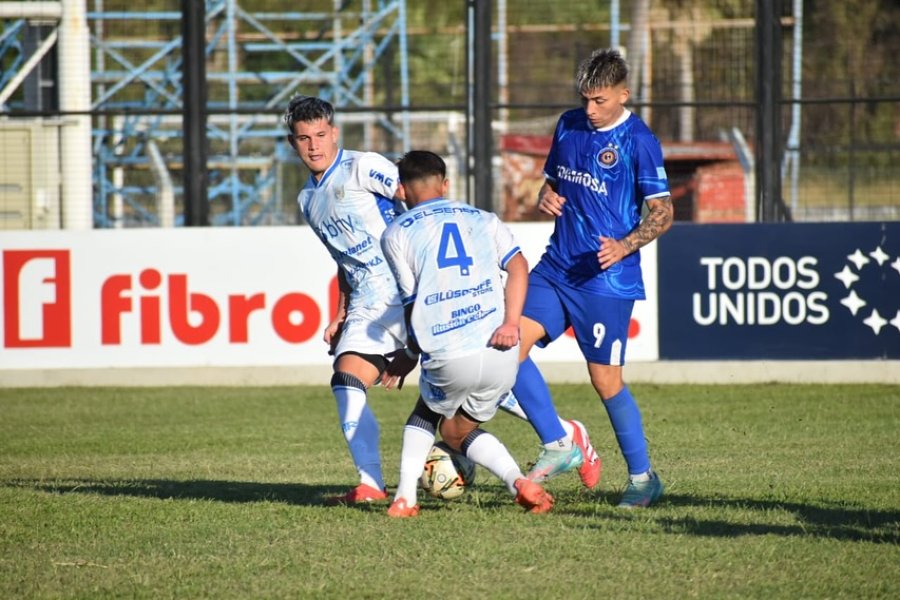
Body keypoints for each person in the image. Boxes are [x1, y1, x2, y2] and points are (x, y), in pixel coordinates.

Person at [511, 48, 674, 508]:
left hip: (606, 279)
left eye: (599, 100)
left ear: (623, 94)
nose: (590, 109)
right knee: (506, 347)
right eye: (585, 98)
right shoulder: (568, 124)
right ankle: (560, 442)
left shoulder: (639, 140)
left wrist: (623, 245)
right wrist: (547, 196)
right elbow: (554, 182)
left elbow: (663, 212)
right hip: (557, 266)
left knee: (605, 381)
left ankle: (643, 478)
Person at [379, 150, 553, 517]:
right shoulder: (485, 219)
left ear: (401, 191)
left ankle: (405, 498)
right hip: (501, 353)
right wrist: (511, 323)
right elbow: (520, 266)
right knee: (456, 432)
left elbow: (413, 305)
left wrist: (409, 355)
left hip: (450, 351)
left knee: (424, 415)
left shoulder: (396, 232)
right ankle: (518, 481)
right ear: (445, 185)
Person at [284, 95, 418, 504]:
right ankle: (372, 484)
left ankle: (561, 436)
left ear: (335, 133)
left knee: (474, 385)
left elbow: (418, 199)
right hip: (369, 302)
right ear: (293, 143)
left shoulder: (363, 166)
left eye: (321, 135)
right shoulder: (307, 200)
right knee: (346, 379)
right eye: (304, 138)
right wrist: (340, 313)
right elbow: (343, 260)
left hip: (415, 287)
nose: (314, 146)